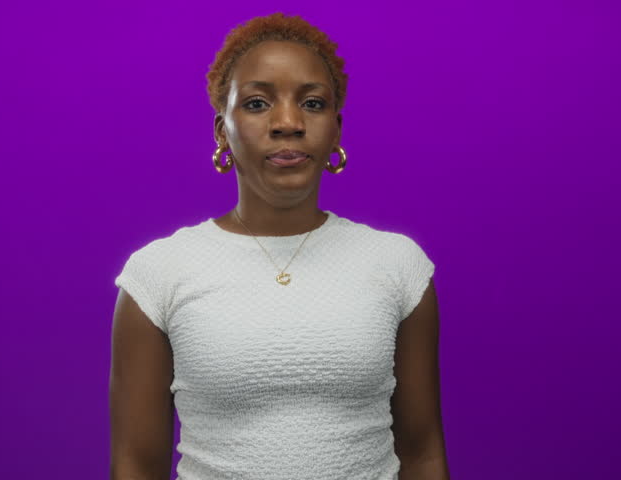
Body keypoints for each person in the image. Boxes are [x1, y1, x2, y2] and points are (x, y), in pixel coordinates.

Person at [109, 12, 449, 480]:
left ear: (336, 130)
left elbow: (424, 453)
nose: (288, 122)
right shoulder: (158, 275)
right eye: (256, 103)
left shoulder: (397, 265)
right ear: (220, 131)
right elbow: (135, 467)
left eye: (312, 103)